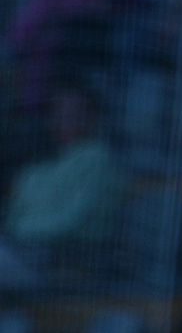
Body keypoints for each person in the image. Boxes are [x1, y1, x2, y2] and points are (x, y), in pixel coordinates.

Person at [0, 81, 126, 290]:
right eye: (58, 113)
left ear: (92, 118)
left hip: (63, 262)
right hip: (21, 252)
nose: (63, 120)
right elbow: (14, 212)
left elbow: (73, 220)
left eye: (73, 113)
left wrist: (15, 232)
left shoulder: (97, 159)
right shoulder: (42, 167)